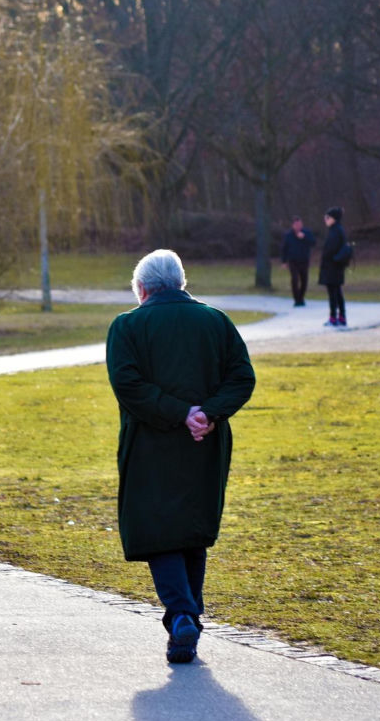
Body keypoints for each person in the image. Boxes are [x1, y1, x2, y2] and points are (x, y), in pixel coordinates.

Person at [106, 250, 256, 664]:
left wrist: (178, 412)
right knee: (191, 527)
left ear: (142, 289)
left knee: (159, 530)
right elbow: (242, 377)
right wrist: (206, 413)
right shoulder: (216, 322)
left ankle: (182, 614)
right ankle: (187, 617)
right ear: (181, 283)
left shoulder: (127, 326)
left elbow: (128, 384)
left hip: (151, 444)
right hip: (204, 441)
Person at [318, 206, 348, 327]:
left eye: (328, 217)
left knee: (333, 293)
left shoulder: (335, 232)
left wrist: (327, 261)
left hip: (332, 267)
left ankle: (333, 317)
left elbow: (330, 250)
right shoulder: (337, 230)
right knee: (337, 292)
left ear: (334, 218)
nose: (325, 219)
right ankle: (341, 317)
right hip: (336, 267)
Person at [280, 215, 316, 307]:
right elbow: (284, 248)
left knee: (304, 280)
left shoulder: (306, 233)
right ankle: (296, 299)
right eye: (296, 225)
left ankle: (301, 298)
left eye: (299, 224)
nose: (298, 227)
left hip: (304, 260)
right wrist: (284, 261)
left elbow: (313, 243)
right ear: (293, 225)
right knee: (295, 280)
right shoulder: (288, 235)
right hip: (293, 261)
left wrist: (304, 237)